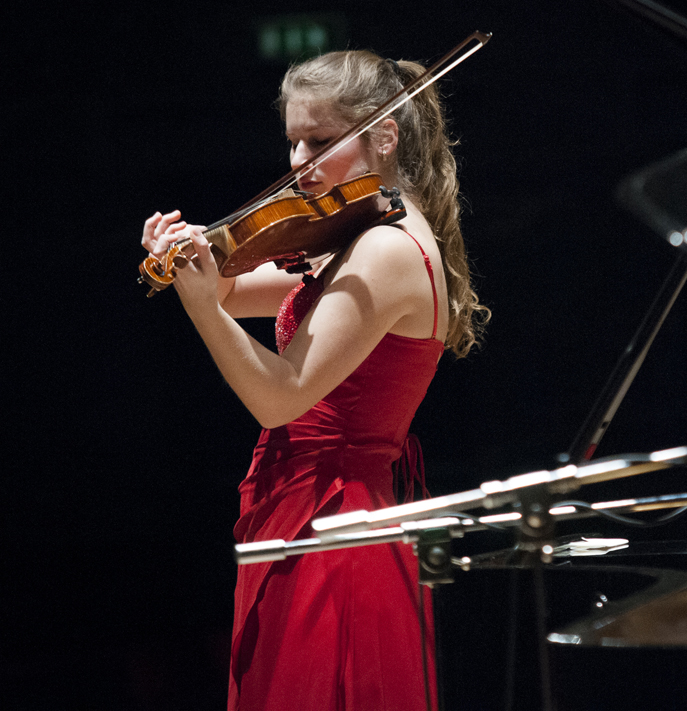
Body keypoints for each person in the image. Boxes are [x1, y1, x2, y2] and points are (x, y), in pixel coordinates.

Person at [141, 49, 489, 711]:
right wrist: (186, 261)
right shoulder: (358, 234)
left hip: (336, 518)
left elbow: (278, 397)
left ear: (385, 136)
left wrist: (198, 303)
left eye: (320, 141)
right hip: (312, 504)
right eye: (293, 140)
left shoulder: (386, 250)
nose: (298, 162)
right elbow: (236, 288)